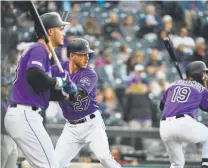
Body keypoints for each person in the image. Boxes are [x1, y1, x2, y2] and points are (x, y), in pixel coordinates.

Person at [4, 12, 71, 168]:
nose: (63, 33)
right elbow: (35, 76)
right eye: (60, 29)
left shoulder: (43, 53)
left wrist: (65, 94)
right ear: (50, 32)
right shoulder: (39, 49)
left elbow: (41, 89)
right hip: (25, 115)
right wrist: (59, 82)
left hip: (25, 114)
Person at [51, 38, 122, 168]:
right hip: (71, 127)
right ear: (72, 55)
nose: (86, 57)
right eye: (82, 54)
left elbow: (78, 95)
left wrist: (64, 88)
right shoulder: (58, 69)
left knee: (104, 157)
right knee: (56, 163)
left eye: (87, 54)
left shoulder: (90, 73)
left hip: (91, 124)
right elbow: (41, 78)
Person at [159, 61, 208, 168]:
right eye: (204, 73)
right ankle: (206, 166)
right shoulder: (202, 89)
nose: (206, 76)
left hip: (165, 127)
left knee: (177, 164)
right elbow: (206, 108)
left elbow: (161, 107)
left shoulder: (172, 85)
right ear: (197, 74)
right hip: (183, 123)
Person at [1, 77, 18, 168]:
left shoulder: (6, 101)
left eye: (7, 86)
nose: (7, 88)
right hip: (2, 137)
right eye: (4, 86)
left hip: (11, 138)